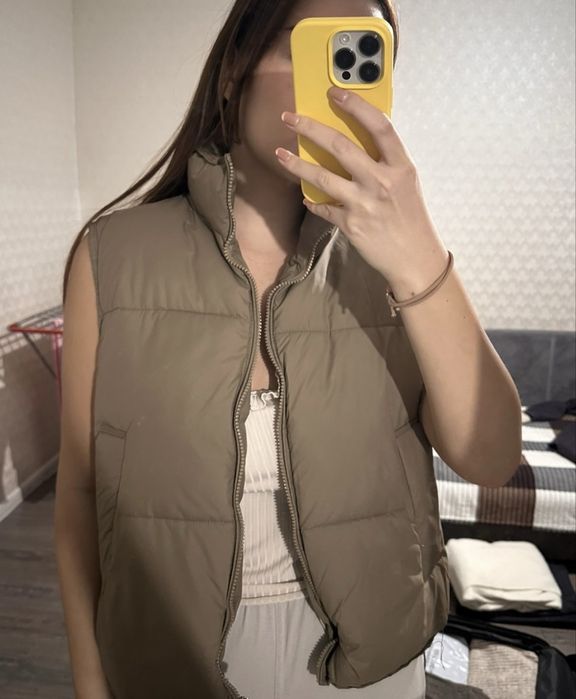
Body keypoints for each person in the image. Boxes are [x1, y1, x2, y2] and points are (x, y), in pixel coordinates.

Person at [54, 0, 522, 697]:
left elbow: (491, 457)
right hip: (168, 656)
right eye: (311, 51)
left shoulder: (398, 267)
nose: (336, 91)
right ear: (233, 72)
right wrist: (92, 684)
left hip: (371, 662)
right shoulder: (110, 256)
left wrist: (420, 255)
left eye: (361, 57)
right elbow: (80, 495)